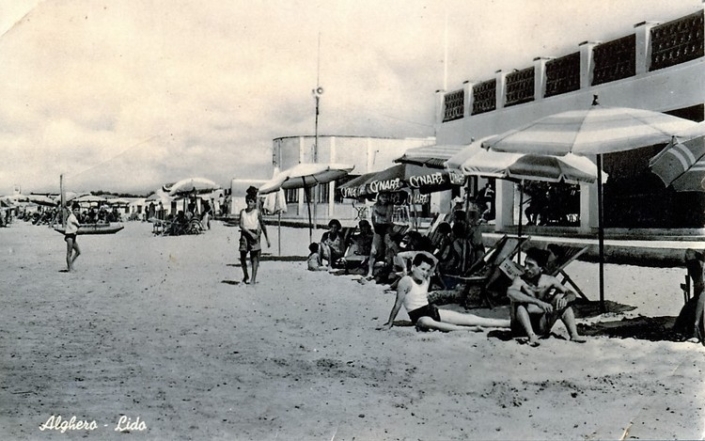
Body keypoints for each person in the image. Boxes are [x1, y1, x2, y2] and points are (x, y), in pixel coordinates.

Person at [377, 253, 510, 332]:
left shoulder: (426, 278)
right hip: (419, 318)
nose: (425, 272)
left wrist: (424, 259)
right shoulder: (405, 281)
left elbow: (435, 261)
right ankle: (471, 330)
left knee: (470, 318)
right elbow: (397, 304)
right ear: (413, 267)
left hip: (433, 311)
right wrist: (390, 323)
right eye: (422, 269)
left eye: (427, 270)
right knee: (426, 323)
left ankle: (508, 323)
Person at [507, 248, 586, 347]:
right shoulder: (520, 280)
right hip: (520, 329)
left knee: (560, 297)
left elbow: (571, 293)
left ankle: (574, 335)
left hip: (542, 327)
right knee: (519, 304)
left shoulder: (550, 280)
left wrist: (565, 299)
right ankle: (531, 336)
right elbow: (511, 293)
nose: (526, 268)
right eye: (525, 264)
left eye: (531, 265)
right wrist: (538, 302)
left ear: (541, 268)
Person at [239, 195, 270, 284]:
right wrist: (250, 233)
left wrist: (267, 238)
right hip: (245, 234)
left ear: (254, 203)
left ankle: (253, 279)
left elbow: (263, 225)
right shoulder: (243, 212)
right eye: (248, 201)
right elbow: (241, 225)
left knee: (254, 258)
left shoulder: (257, 212)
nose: (249, 203)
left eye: (251, 201)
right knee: (242, 257)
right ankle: (246, 275)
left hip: (255, 235)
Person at [365, 192, 394, 280]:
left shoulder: (389, 205)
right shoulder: (375, 206)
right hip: (378, 229)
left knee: (389, 250)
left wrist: (379, 217)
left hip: (386, 229)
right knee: (373, 251)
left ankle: (389, 270)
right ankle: (369, 272)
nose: (384, 198)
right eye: (383, 196)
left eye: (386, 197)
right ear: (379, 197)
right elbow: (373, 218)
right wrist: (375, 225)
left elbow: (388, 218)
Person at [64, 202, 82, 272]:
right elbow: (78, 225)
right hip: (69, 236)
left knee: (78, 252)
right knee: (69, 252)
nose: (77, 211)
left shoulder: (74, 217)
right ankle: (69, 268)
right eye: (75, 210)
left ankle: (70, 264)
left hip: (73, 235)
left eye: (78, 210)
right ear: (73, 210)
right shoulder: (72, 217)